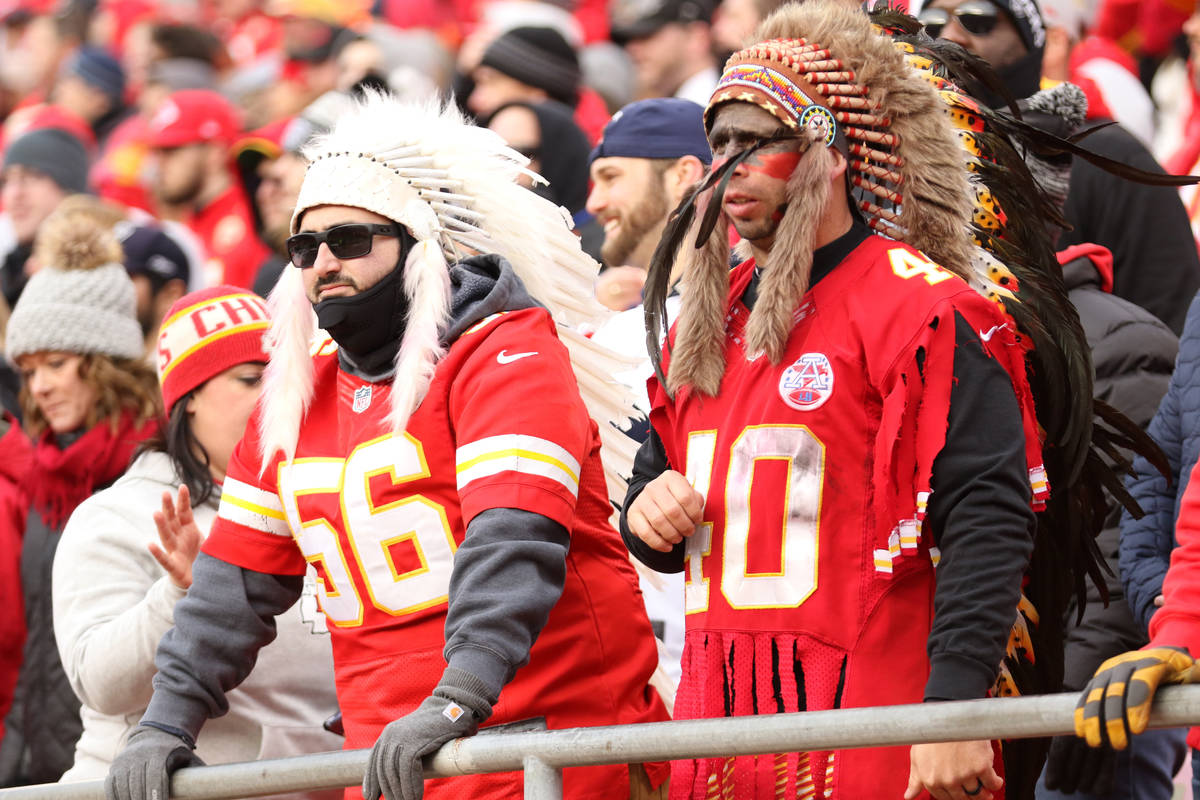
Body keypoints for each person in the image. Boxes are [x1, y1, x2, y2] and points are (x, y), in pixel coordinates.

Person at [103, 92, 669, 800]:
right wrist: (164, 723)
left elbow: (512, 540)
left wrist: (457, 695)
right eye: (304, 248)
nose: (323, 264)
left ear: (418, 243)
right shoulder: (293, 396)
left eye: (350, 240)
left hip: (553, 751)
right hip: (395, 767)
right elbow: (230, 590)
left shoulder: (505, 352)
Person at [621, 2, 1072, 797]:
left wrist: (952, 713)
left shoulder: (924, 309)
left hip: (872, 713)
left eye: (757, 141)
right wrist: (647, 514)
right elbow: (656, 510)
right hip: (718, 717)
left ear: (828, 151)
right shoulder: (704, 320)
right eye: (718, 143)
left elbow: (989, 516)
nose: (730, 165)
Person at [52, 286, 341, 796]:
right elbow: (101, 684)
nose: (278, 395)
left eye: (286, 377)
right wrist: (180, 595)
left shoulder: (325, 501)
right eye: (251, 379)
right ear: (187, 402)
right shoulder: (115, 516)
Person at [919, 0, 1200, 335]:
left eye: (978, 18)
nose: (950, 35)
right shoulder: (893, 160)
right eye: (932, 22)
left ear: (1033, 38)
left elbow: (1173, 322)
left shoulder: (1108, 157)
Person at [0, 201, 160, 786]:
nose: (39, 386)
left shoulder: (157, 468)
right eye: (29, 369)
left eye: (57, 364)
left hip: (115, 766)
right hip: (26, 763)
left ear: (103, 363)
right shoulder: (36, 475)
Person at [586, 97, 710, 309]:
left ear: (682, 176)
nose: (593, 204)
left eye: (610, 177)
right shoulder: (623, 311)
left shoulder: (735, 311)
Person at [144, 89, 269, 289]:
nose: (159, 164)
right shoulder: (190, 219)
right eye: (157, 152)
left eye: (172, 150)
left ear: (215, 152)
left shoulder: (254, 223)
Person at [0, 126, 90, 307]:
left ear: (68, 187)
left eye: (31, 177)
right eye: (7, 180)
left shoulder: (92, 271)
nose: (15, 193)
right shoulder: (10, 267)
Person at [610, 0, 719, 105]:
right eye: (627, 40)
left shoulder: (714, 111)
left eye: (647, 35)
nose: (631, 49)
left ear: (696, 38)